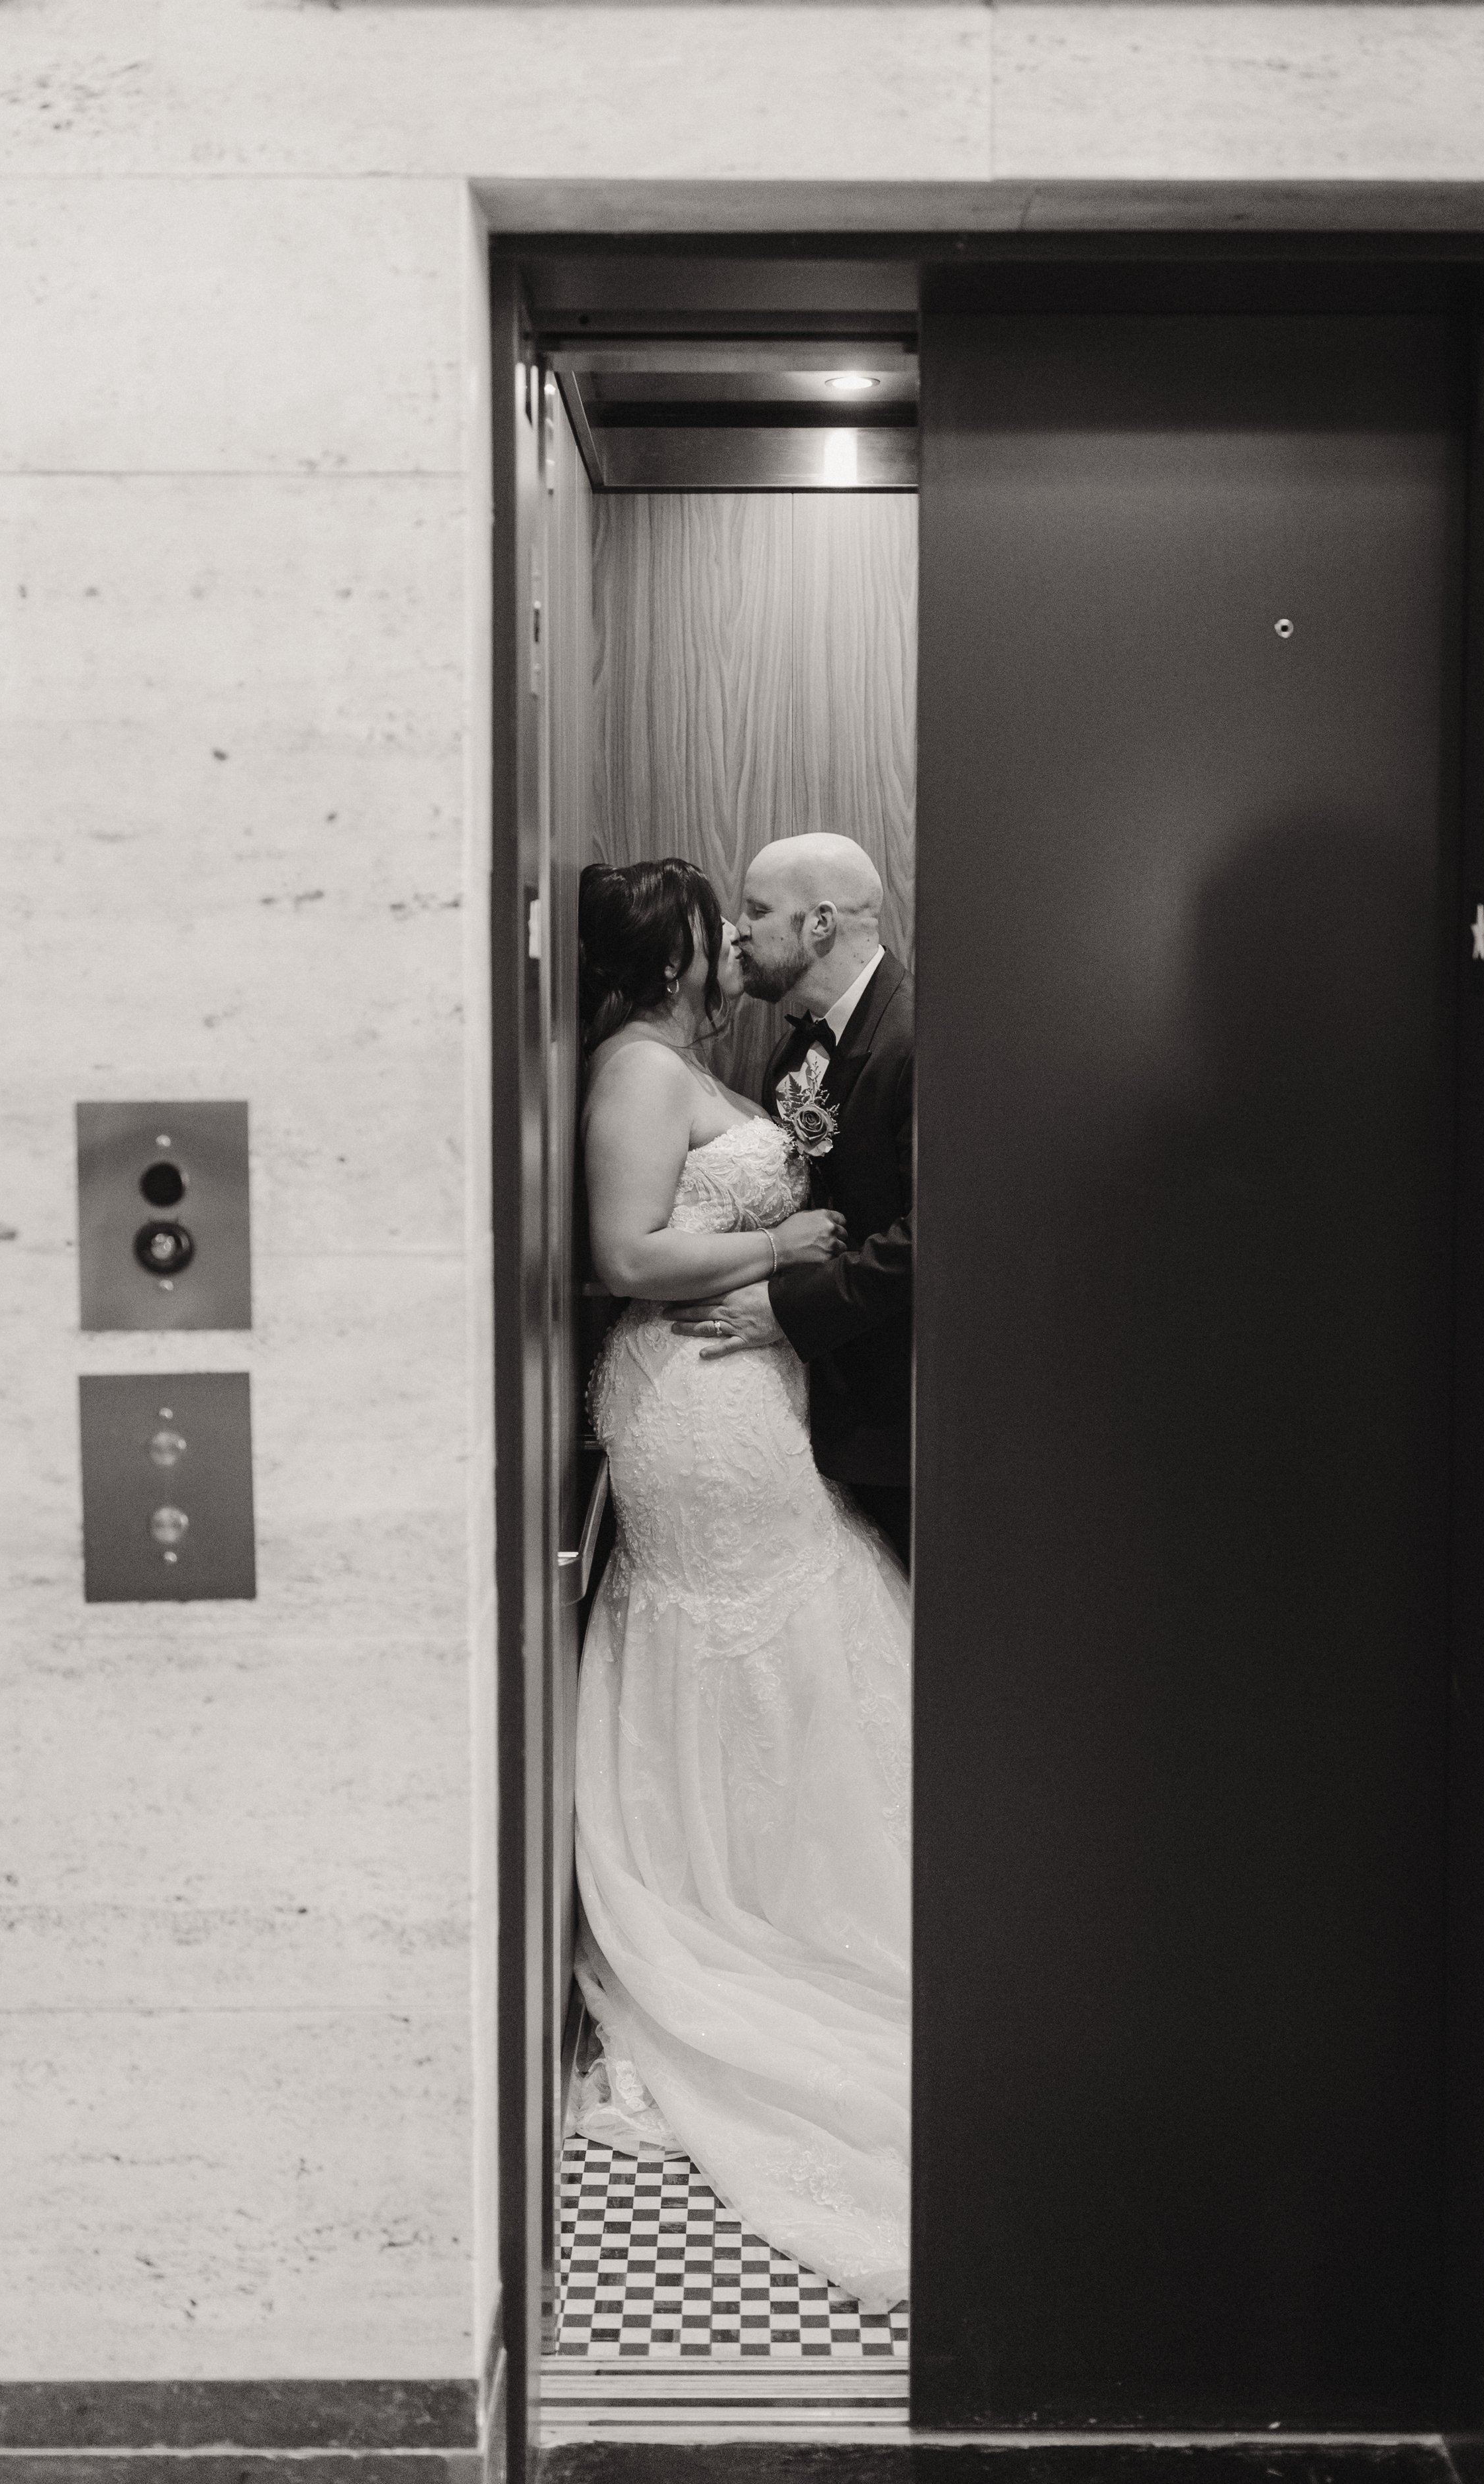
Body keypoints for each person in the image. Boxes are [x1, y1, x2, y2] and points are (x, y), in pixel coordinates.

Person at [569, 855, 911, 2314]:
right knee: (744, 1631)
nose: (741, 947)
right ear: (680, 954)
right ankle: (741, 1912)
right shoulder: (638, 1075)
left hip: (752, 1386)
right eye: (727, 927)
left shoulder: (737, 1059)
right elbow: (625, 1250)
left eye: (759, 921)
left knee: (810, 1620)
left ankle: (808, 1883)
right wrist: (776, 1244)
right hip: (696, 1404)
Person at [672, 834, 913, 1569]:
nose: (740, 932)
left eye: (756, 911)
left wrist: (787, 1308)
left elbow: (940, 1234)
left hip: (904, 1404)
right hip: (823, 1407)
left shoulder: (917, 1037)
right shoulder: (796, 1050)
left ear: (820, 924)